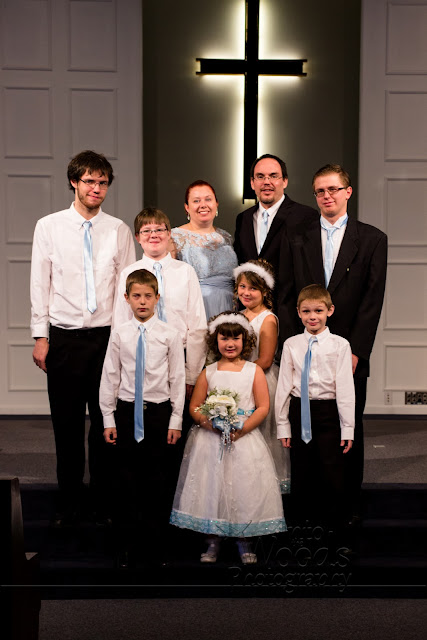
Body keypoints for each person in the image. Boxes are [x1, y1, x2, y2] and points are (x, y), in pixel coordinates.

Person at [30, 150, 136, 525]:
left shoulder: (118, 229)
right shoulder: (49, 227)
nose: (96, 188)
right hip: (64, 337)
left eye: (102, 182)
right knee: (67, 424)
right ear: (74, 182)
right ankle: (69, 501)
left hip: (106, 337)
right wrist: (40, 336)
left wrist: (124, 340)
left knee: (107, 423)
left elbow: (127, 288)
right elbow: (40, 284)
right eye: (89, 181)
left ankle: (103, 500)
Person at [277, 164, 387, 521]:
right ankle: (307, 516)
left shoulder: (372, 239)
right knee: (306, 433)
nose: (327, 196)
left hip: (348, 351)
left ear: (348, 192)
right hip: (304, 348)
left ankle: (346, 512)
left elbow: (372, 300)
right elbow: (286, 293)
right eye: (321, 191)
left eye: (334, 189)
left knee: (348, 429)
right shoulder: (298, 236)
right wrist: (294, 344)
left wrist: (356, 350)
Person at [170, 312, 286, 564]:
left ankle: (245, 540)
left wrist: (242, 428)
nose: (230, 343)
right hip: (211, 441)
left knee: (244, 489)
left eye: (236, 338)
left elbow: (263, 407)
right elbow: (195, 407)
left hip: (243, 438)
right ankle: (213, 539)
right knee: (212, 489)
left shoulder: (254, 371)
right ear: (216, 341)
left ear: (246, 341)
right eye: (224, 338)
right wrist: (211, 423)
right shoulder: (209, 372)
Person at [100, 269, 185, 567]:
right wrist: (108, 418)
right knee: (126, 480)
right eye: (136, 296)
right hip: (126, 413)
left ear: (157, 298)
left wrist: (176, 419)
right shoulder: (119, 333)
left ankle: (155, 547)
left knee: (157, 480)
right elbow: (110, 375)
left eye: (148, 296)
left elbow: (177, 378)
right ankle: (127, 545)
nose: (142, 301)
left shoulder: (170, 335)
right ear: (126, 298)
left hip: (158, 414)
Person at [275, 284, 355, 531]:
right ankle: (302, 529)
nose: (313, 317)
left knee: (331, 471)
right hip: (300, 411)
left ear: (330, 311)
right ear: (298, 312)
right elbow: (284, 386)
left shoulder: (340, 345)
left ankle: (333, 528)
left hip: (329, 412)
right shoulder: (291, 344)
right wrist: (282, 425)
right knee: (302, 469)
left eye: (318, 311)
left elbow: (345, 389)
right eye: (307, 311)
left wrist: (348, 428)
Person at [113, 207, 207, 401]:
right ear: (138, 237)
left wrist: (192, 372)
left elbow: (197, 325)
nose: (153, 235)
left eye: (159, 229)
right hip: (141, 355)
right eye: (146, 231)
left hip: (179, 354)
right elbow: (120, 323)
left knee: (177, 414)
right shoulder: (128, 273)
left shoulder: (186, 272)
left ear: (169, 234)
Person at [233, 259, 290, 493]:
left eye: (253, 288)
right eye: (242, 286)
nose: (246, 293)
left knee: (262, 435)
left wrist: (238, 374)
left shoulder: (267, 319)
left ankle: (265, 489)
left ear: (265, 291)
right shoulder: (238, 315)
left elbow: (265, 360)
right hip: (239, 380)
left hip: (260, 381)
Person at [233, 153, 317, 279]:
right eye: (260, 177)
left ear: (285, 181)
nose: (267, 182)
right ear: (252, 183)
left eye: (273, 176)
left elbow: (309, 267)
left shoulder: (305, 216)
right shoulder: (243, 218)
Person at [171, 180, 238, 319]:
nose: (203, 205)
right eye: (196, 201)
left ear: (216, 204)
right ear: (187, 207)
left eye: (208, 199)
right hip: (196, 309)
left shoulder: (226, 237)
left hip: (230, 307)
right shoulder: (174, 237)